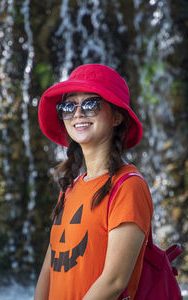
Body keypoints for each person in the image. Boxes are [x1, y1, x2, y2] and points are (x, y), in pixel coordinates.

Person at [34, 64, 153, 300]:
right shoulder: (70, 188)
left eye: (91, 104)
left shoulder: (128, 186)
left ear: (117, 116)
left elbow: (114, 281)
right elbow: (50, 267)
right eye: (69, 106)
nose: (77, 113)